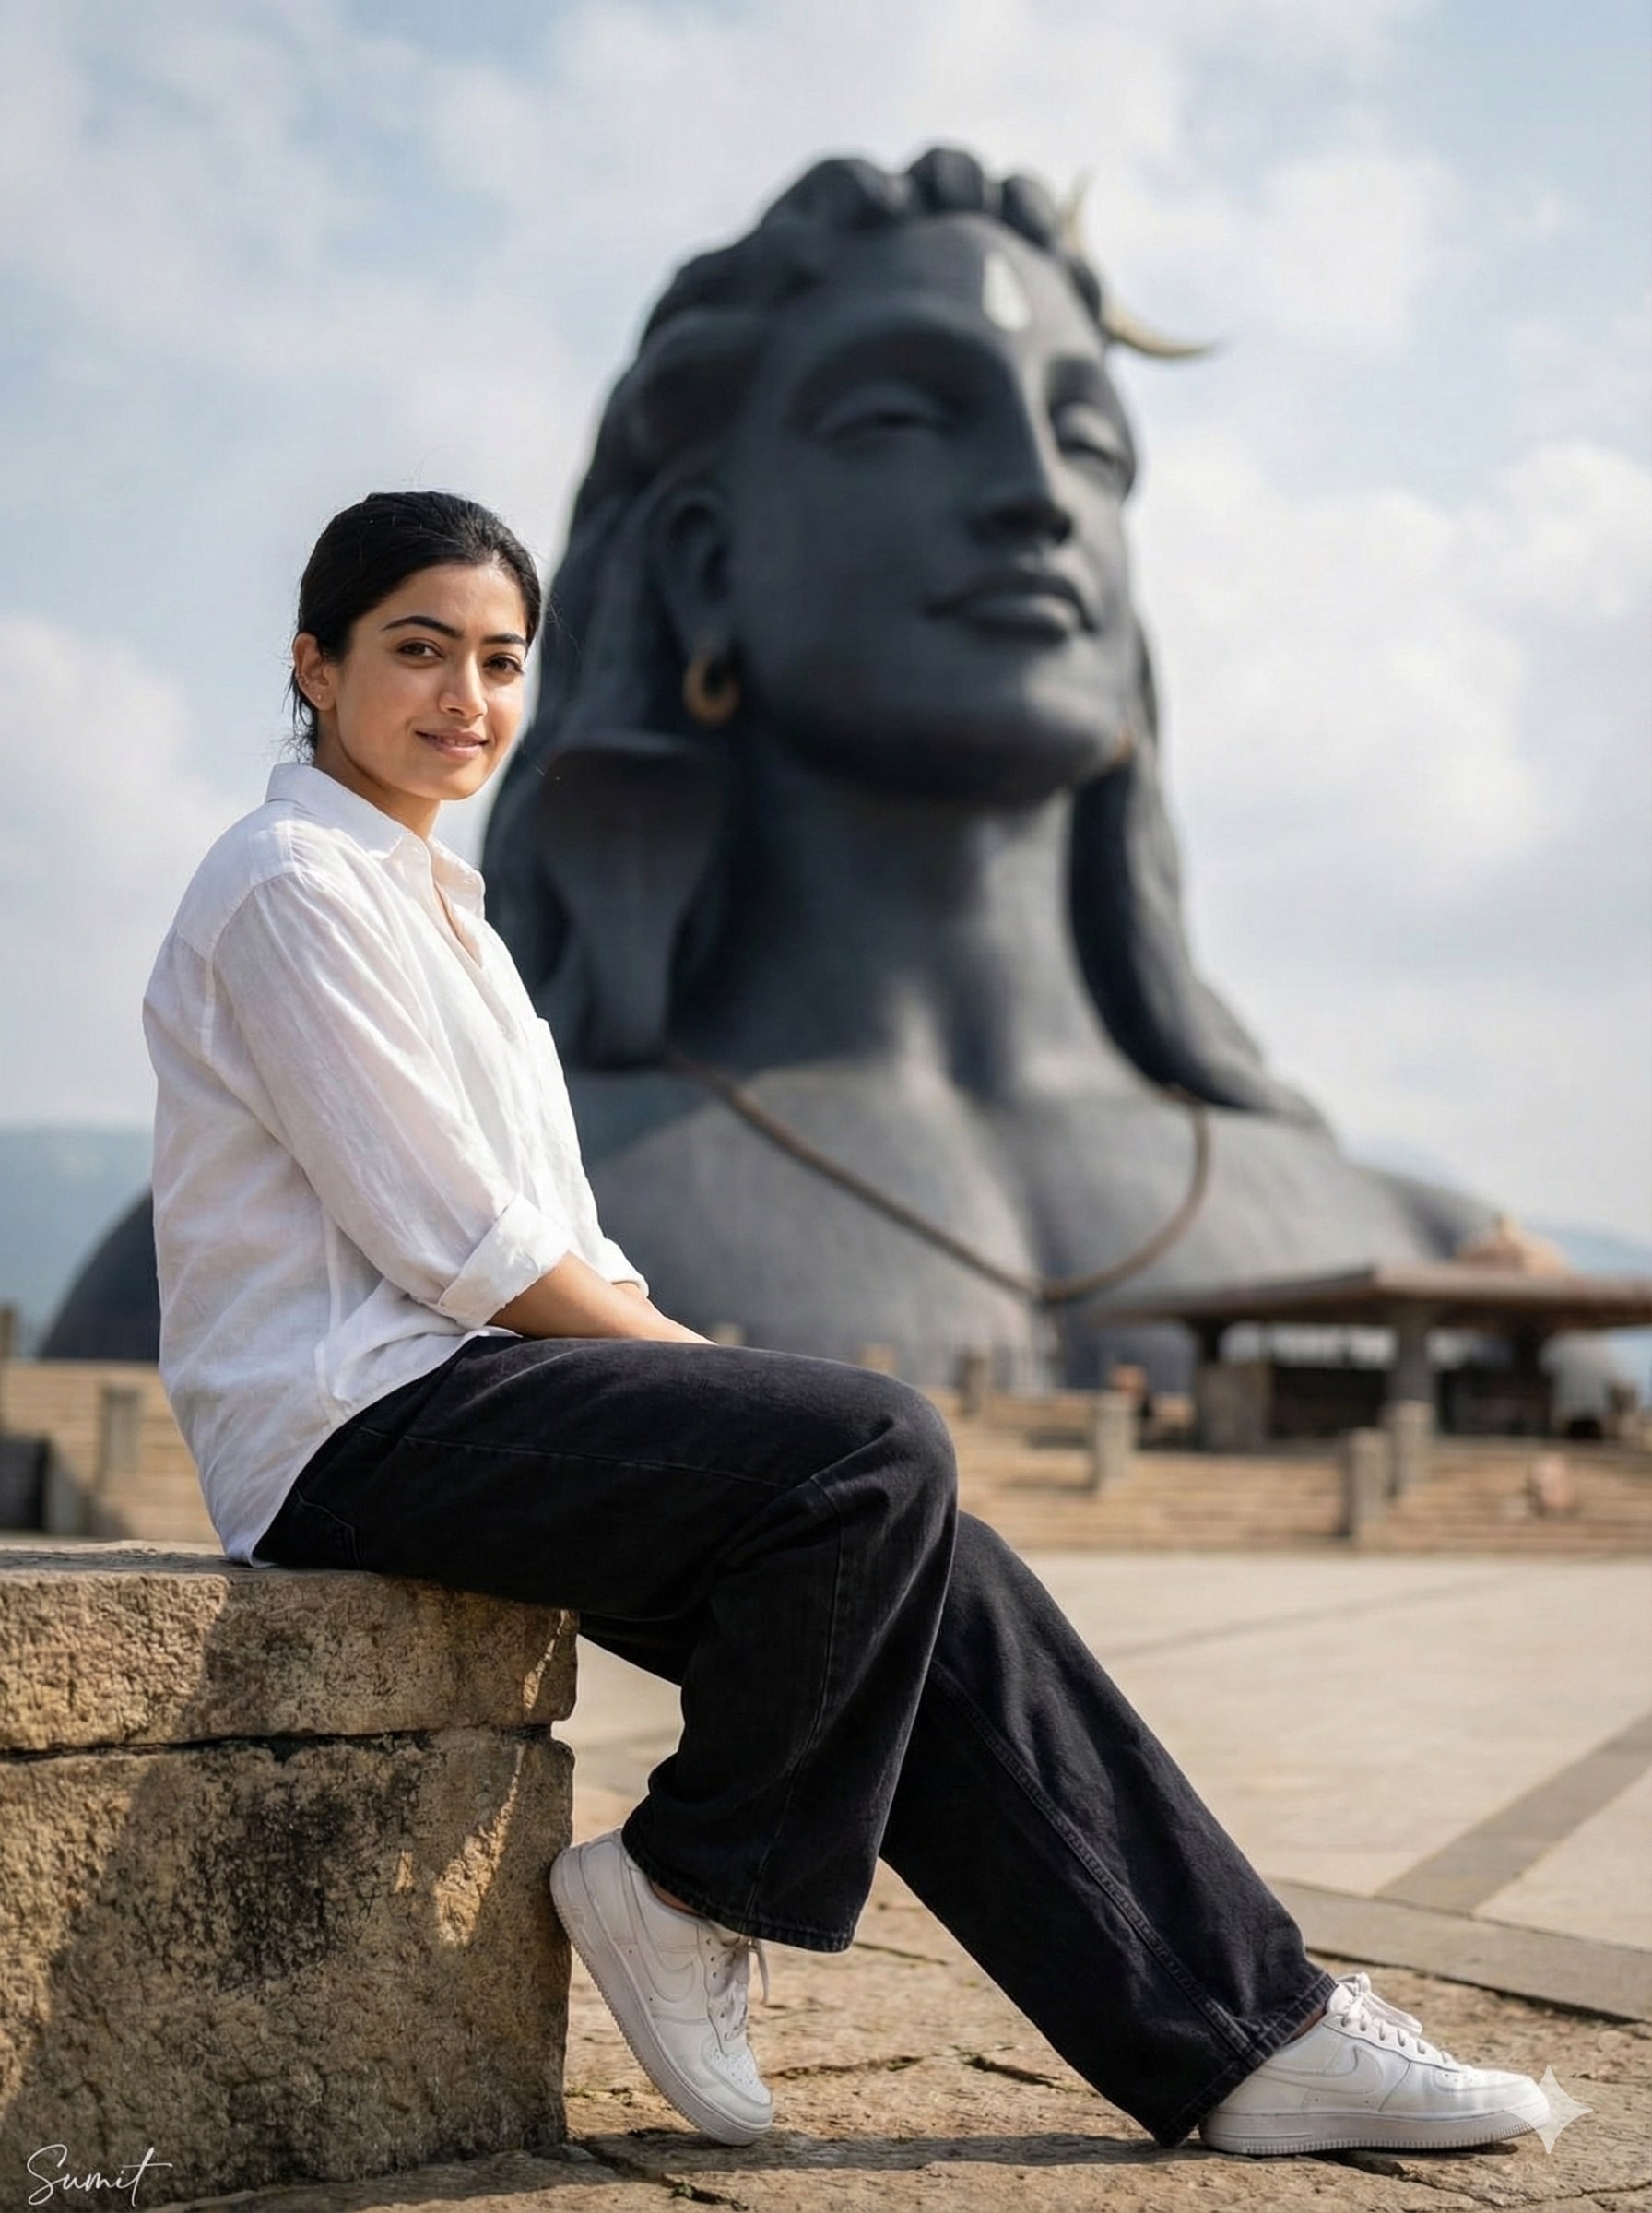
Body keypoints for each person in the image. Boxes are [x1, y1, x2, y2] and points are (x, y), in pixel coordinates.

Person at [145, 488, 1550, 2160]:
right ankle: (686, 1882)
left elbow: (560, 1241)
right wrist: (724, 1388)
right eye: (418, 651)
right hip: (351, 1428)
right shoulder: (293, 884)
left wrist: (718, 1391)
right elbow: (464, 1244)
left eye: (503, 661)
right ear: (314, 666)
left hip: (481, 1398)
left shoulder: (446, 912)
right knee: (876, 1448)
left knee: (946, 1572)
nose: (468, 697)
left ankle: (1254, 2033)